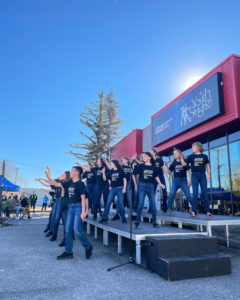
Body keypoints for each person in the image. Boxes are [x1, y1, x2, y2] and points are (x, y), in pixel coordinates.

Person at [57, 166, 93, 260]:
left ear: (77, 173)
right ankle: (68, 252)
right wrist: (50, 175)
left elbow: (84, 198)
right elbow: (56, 184)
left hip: (78, 207)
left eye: (72, 171)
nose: (70, 173)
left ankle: (88, 246)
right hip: (71, 207)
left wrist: (84, 211)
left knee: (77, 229)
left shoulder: (80, 183)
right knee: (68, 230)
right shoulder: (70, 183)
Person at [133, 152, 165, 228]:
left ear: (149, 157)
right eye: (143, 156)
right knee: (140, 204)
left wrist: (160, 184)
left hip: (151, 186)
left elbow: (156, 176)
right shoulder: (140, 166)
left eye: (145, 156)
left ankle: (154, 222)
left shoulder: (154, 167)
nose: (143, 157)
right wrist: (133, 166)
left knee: (153, 205)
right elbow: (134, 173)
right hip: (142, 186)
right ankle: (137, 221)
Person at [181, 142, 212, 217]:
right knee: (195, 193)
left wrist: (209, 175)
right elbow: (184, 164)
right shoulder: (191, 156)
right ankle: (194, 211)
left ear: (197, 148)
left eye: (193, 147)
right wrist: (182, 157)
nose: (192, 149)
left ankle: (207, 211)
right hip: (194, 176)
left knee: (204, 193)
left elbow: (207, 166)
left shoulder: (204, 156)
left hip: (202, 176)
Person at [44, 169, 72, 246]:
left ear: (67, 176)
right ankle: (54, 235)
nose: (61, 175)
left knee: (65, 221)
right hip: (61, 201)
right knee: (56, 219)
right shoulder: (62, 183)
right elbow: (52, 182)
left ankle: (65, 239)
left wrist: (48, 174)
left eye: (63, 175)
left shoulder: (69, 182)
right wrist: (48, 174)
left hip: (68, 202)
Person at [164, 148, 193, 214]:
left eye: (176, 153)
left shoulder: (184, 162)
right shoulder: (174, 163)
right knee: (171, 195)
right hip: (175, 181)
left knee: (188, 195)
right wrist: (165, 166)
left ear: (180, 154)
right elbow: (168, 172)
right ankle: (169, 209)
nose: (174, 154)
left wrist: (190, 181)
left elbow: (189, 171)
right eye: (174, 153)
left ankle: (194, 209)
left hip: (183, 180)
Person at [112, 156, 132, 221]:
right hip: (122, 184)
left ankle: (130, 214)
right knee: (119, 200)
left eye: (123, 160)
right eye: (121, 160)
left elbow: (132, 176)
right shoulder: (121, 167)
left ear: (127, 161)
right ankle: (117, 214)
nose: (122, 161)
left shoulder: (130, 167)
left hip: (128, 183)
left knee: (129, 198)